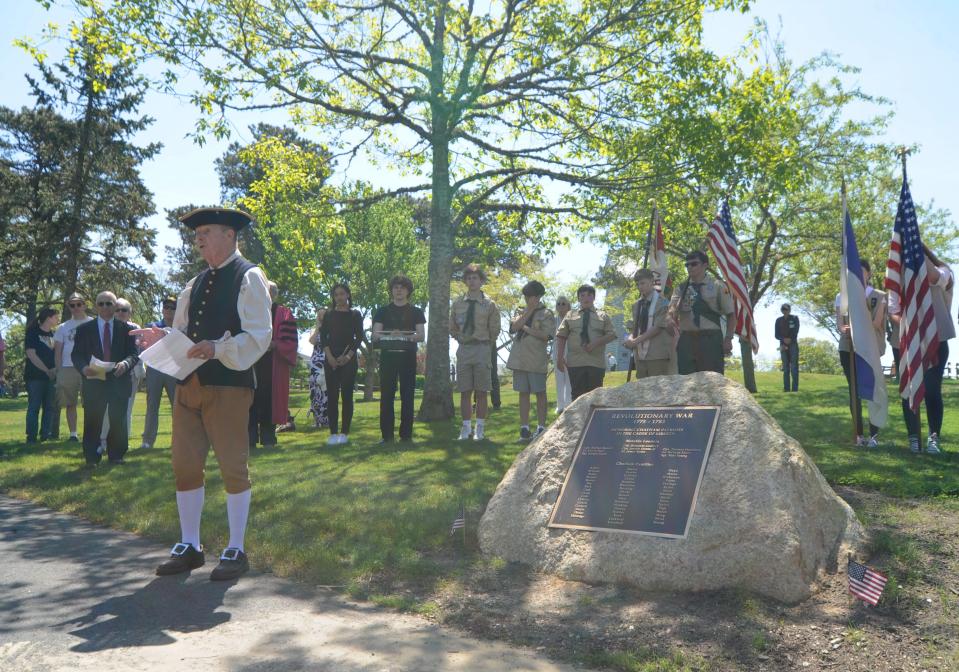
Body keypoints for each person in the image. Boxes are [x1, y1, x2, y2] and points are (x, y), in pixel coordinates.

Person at [133, 207, 272, 581]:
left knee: (232, 466)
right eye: (197, 233)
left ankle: (236, 547)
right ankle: (190, 545)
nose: (198, 238)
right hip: (188, 386)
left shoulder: (250, 277)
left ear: (230, 235)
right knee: (184, 464)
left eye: (206, 231)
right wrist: (162, 338)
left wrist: (218, 348)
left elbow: (260, 335)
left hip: (228, 385)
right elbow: (184, 336)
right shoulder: (193, 284)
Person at [888, 245, 954, 454]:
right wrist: (910, 328)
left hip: (937, 340)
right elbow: (893, 311)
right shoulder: (897, 279)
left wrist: (918, 249)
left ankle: (934, 437)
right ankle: (913, 437)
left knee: (932, 390)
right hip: (907, 342)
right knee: (909, 391)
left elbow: (934, 277)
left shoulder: (944, 272)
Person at [71, 291, 139, 465]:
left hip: (119, 379)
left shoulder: (128, 330)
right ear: (95, 307)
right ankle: (91, 458)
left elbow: (133, 354)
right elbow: (77, 355)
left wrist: (125, 364)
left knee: (118, 420)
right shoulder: (84, 329)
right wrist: (84, 367)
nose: (104, 307)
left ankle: (116, 455)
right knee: (93, 421)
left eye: (109, 303)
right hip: (94, 380)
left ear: (115, 306)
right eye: (100, 304)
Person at [835, 260, 886, 448]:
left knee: (871, 389)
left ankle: (874, 436)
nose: (857, 274)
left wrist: (856, 323)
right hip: (848, 348)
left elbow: (877, 323)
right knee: (854, 391)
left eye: (861, 271)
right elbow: (840, 323)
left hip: (869, 349)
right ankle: (858, 434)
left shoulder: (879, 296)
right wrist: (843, 328)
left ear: (869, 274)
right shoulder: (842, 297)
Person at [372, 275, 425, 443]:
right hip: (388, 357)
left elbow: (421, 335)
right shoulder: (382, 311)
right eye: (395, 287)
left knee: (407, 396)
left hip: (408, 356)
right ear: (391, 290)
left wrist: (403, 335)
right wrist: (387, 335)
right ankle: (386, 435)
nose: (399, 290)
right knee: (387, 396)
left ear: (408, 290)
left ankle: (406, 435)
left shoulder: (416, 312)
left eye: (402, 287)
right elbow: (375, 335)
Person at [450, 264, 500, 441]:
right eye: (469, 278)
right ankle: (465, 428)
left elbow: (495, 329)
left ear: (481, 281)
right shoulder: (457, 304)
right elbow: (452, 327)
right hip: (464, 350)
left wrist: (485, 342)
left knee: (481, 391)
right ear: (465, 281)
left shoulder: (489, 304)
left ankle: (480, 428)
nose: (472, 281)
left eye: (475, 278)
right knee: (465, 391)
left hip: (482, 349)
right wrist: (461, 338)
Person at [667, 250, 735, 375]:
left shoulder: (718, 286)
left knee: (712, 382)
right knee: (686, 382)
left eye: (694, 264)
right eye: (687, 265)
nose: (689, 267)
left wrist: (728, 339)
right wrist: (671, 317)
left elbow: (731, 315)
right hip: (687, 340)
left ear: (705, 265)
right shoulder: (681, 288)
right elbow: (671, 311)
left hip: (710, 339)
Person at [248, 282, 298, 450]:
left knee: (269, 400)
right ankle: (250, 439)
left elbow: (290, 341)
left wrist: (275, 344)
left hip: (273, 363)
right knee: (250, 401)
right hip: (252, 362)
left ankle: (269, 438)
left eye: (268, 292)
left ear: (274, 295)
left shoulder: (284, 314)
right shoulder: (251, 312)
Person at [506, 280, 554, 440]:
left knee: (540, 393)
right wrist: (528, 310)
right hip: (519, 360)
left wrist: (525, 328)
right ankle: (524, 429)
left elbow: (546, 336)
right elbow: (513, 328)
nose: (528, 299)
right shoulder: (520, 311)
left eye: (531, 296)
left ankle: (541, 428)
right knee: (523, 393)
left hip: (536, 359)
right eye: (526, 296)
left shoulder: (547, 313)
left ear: (539, 296)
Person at [555, 284, 617, 400]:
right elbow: (561, 336)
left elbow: (612, 334)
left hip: (596, 363)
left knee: (595, 397)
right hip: (575, 363)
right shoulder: (570, 315)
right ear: (578, 298)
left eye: (589, 295)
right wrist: (559, 358)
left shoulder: (603, 315)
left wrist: (596, 343)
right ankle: (578, 419)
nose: (586, 298)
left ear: (594, 298)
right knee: (577, 397)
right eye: (582, 295)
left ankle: (594, 418)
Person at [321, 283, 365, 445]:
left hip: (349, 358)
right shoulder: (328, 315)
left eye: (342, 294)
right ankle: (333, 433)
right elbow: (323, 337)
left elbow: (358, 337)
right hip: (330, 358)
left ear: (348, 295)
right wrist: (330, 357)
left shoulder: (355, 315)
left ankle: (344, 433)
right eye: (336, 294)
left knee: (347, 395)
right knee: (332, 396)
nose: (339, 297)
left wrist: (347, 357)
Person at [98, 297, 143, 451]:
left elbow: (139, 352)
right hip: (108, 373)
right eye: (117, 310)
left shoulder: (136, 328)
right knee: (106, 410)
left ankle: (122, 443)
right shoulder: (106, 327)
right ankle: (103, 441)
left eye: (124, 310)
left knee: (127, 409)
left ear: (130, 312)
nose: (120, 313)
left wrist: (140, 370)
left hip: (130, 374)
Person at [140, 297, 178, 449]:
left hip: (174, 370)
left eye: (172, 307)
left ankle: (179, 440)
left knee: (177, 407)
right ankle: (148, 441)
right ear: (162, 310)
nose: (168, 310)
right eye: (166, 307)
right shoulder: (153, 326)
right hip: (155, 370)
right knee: (152, 406)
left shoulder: (181, 328)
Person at [54, 292, 92, 442]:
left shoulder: (93, 323)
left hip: (89, 367)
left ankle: (90, 433)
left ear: (84, 305)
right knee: (70, 403)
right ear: (69, 307)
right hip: (68, 367)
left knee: (90, 402)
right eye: (72, 305)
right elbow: (58, 351)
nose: (76, 307)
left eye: (79, 304)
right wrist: (59, 370)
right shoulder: (63, 327)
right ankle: (73, 434)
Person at [624, 269, 672, 379]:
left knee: (658, 392)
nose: (640, 287)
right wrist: (629, 339)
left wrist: (635, 341)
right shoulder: (636, 305)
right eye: (637, 284)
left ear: (652, 281)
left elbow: (657, 328)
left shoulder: (662, 302)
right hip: (640, 357)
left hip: (657, 355)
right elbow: (634, 328)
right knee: (642, 392)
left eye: (642, 283)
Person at [24, 307, 60, 443]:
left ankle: (45, 435)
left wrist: (55, 369)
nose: (58, 319)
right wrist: (47, 370)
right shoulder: (32, 333)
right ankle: (31, 437)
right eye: (56, 317)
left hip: (51, 377)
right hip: (35, 377)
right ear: (48, 317)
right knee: (34, 407)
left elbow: (58, 354)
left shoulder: (54, 335)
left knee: (49, 407)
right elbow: (31, 355)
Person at [308, 309, 330, 429]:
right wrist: (318, 327)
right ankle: (317, 420)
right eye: (319, 315)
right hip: (315, 364)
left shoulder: (332, 329)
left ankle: (327, 419)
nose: (321, 317)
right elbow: (312, 341)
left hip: (327, 362)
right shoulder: (314, 329)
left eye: (323, 315)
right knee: (315, 392)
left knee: (326, 392)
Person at [552, 296, 572, 412]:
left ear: (568, 306)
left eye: (563, 303)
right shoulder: (553, 321)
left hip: (570, 352)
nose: (560, 305)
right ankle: (560, 406)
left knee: (569, 380)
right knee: (559, 380)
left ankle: (568, 404)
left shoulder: (572, 319)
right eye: (558, 304)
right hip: (557, 353)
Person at [774, 303, 800, 392]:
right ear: (781, 310)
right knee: (785, 368)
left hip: (793, 344)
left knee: (794, 367)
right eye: (783, 309)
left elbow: (796, 331)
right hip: (782, 345)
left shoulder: (795, 318)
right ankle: (786, 389)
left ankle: (795, 389)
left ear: (789, 310)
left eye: (786, 309)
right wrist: (783, 339)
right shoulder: (778, 320)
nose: (785, 311)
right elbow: (776, 335)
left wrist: (790, 339)